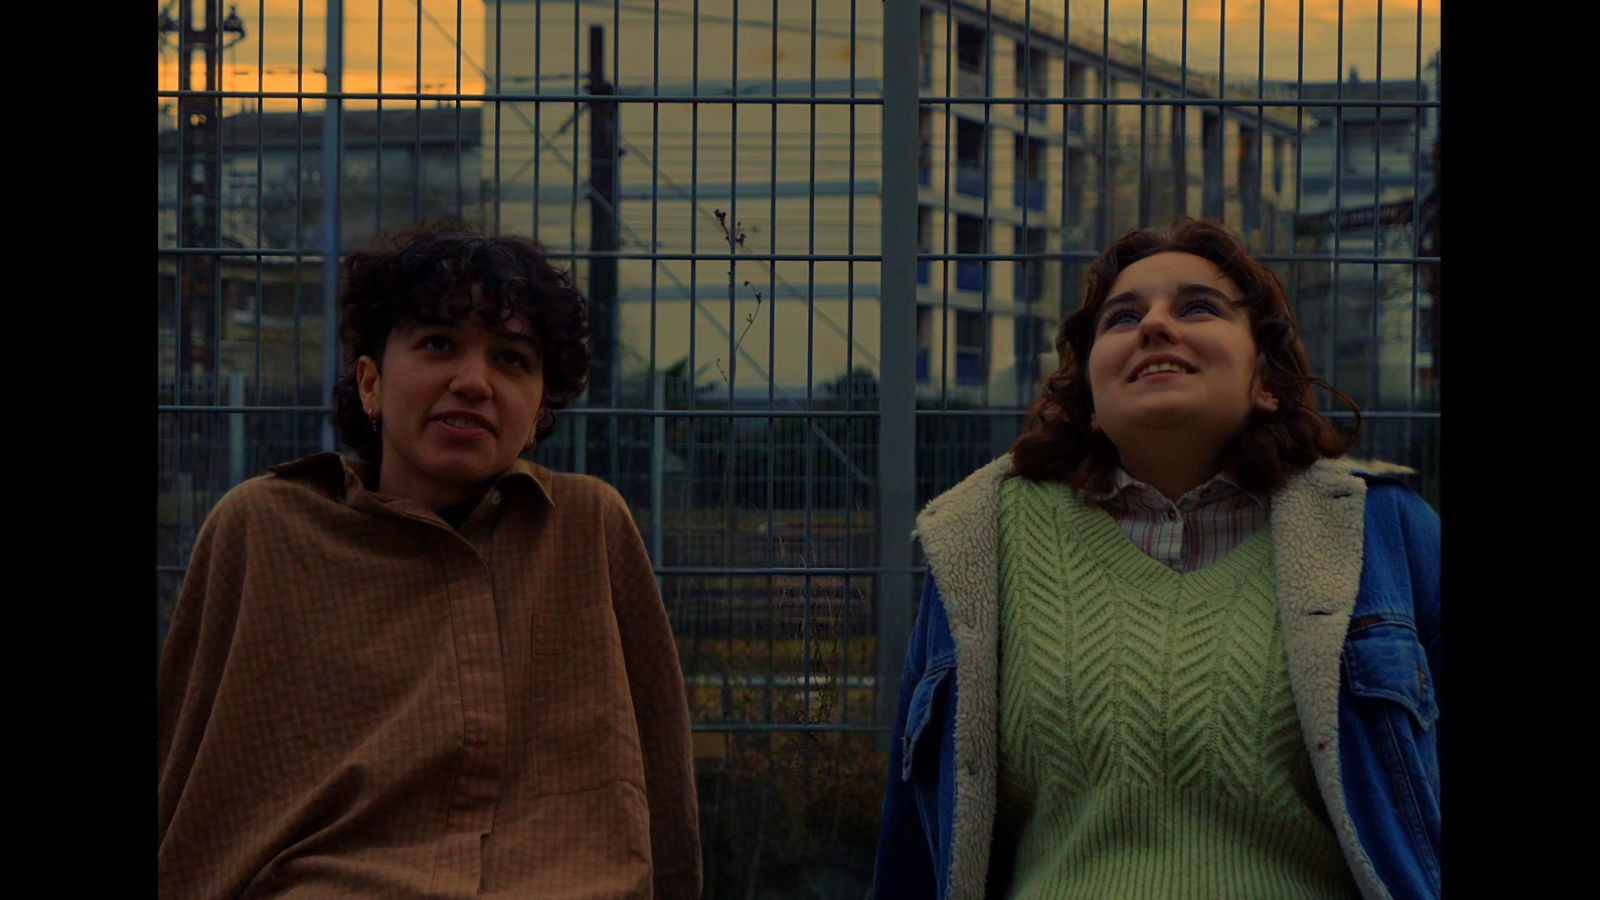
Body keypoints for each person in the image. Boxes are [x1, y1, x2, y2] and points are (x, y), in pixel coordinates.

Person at [872, 217, 1439, 899]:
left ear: (1266, 379)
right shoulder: (979, 539)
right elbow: (911, 848)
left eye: (1198, 308)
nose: (1155, 326)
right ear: (1091, 395)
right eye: (1123, 317)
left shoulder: (1383, 532)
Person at [158, 225, 702, 898]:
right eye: (439, 344)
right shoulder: (264, 530)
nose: (473, 382)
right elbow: (189, 777)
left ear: (539, 410)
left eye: (512, 359)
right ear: (371, 383)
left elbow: (659, 765)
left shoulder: (588, 527)